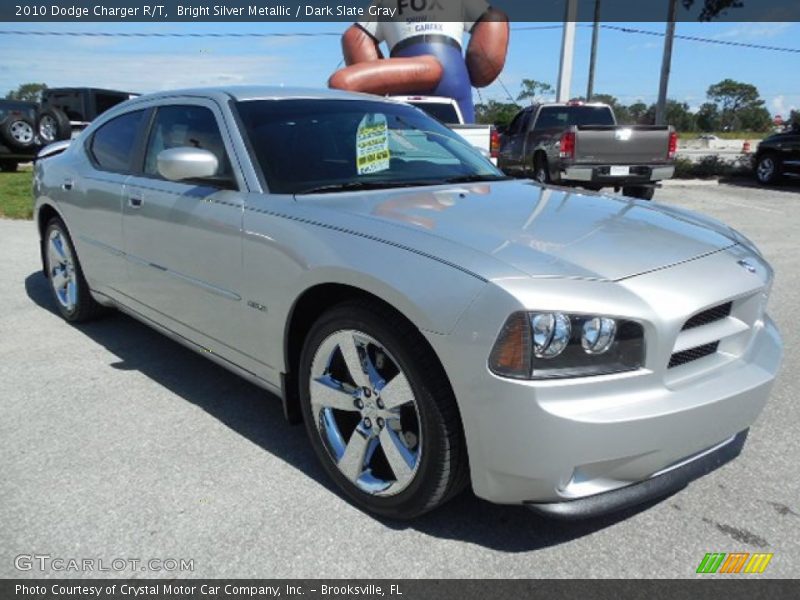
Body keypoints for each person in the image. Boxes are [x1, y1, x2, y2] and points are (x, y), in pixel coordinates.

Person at [328, 0, 509, 123]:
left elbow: (354, 37)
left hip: (401, 80)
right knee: (462, 143)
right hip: (452, 74)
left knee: (399, 134)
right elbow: (494, 19)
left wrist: (376, 88)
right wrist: (479, 69)